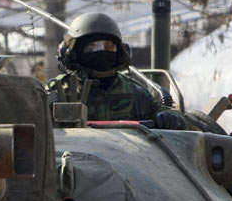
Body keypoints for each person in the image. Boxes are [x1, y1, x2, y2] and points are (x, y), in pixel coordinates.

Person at [47, 12, 187, 130]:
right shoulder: (59, 91)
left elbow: (179, 119)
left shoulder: (135, 94)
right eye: (91, 47)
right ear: (72, 53)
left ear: (120, 52)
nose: (101, 52)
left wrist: (171, 119)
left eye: (108, 46)